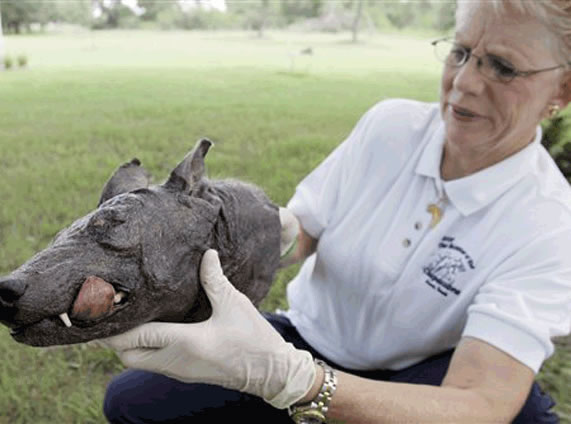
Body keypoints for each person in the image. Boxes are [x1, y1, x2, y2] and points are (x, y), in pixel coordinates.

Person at [102, 1, 571, 423]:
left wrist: (293, 381)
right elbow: (304, 229)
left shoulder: (548, 223)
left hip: (418, 374)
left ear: (562, 91)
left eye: (504, 68)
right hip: (305, 338)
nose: (465, 83)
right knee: (131, 403)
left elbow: (481, 404)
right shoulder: (391, 127)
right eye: (461, 52)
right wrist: (246, 238)